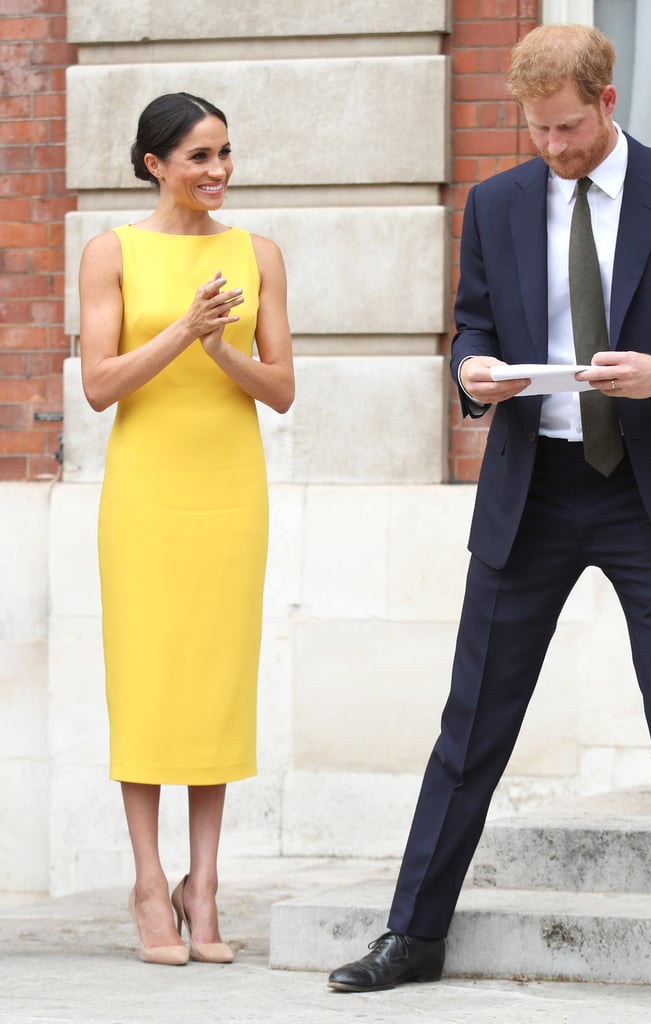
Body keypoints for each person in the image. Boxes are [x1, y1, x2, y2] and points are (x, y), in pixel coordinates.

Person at [328, 24, 651, 1013]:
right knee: (473, 718)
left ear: (606, 102)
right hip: (534, 489)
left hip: (649, 492)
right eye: (536, 130)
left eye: (567, 126)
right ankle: (414, 932)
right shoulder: (496, 203)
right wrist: (472, 376)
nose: (553, 146)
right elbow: (472, 325)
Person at [78, 92, 294, 966]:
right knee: (149, 683)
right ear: (154, 164)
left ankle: (204, 891)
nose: (219, 172)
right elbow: (100, 386)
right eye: (200, 156)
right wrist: (183, 329)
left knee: (213, 684)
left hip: (229, 488)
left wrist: (220, 349)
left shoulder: (260, 254)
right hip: (146, 492)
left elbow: (279, 389)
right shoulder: (110, 252)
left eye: (226, 153)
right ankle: (146, 882)